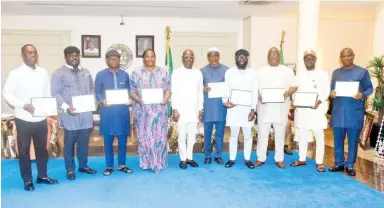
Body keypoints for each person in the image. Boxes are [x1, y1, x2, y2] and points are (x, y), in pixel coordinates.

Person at [3, 44, 58, 191]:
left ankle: (42, 176)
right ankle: (27, 180)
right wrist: (23, 104)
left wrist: (51, 107)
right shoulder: (16, 73)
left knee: (42, 150)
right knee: (24, 151)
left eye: (34, 52)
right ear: (23, 55)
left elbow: (47, 93)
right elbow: (7, 94)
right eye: (29, 53)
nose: (32, 55)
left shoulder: (43, 72)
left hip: (40, 119)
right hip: (23, 119)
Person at [51, 46, 97, 180]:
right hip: (69, 113)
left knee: (83, 142)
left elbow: (91, 89)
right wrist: (66, 107)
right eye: (71, 55)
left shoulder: (86, 72)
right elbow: (55, 93)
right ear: (65, 57)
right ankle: (70, 169)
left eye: (76, 55)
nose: (74, 57)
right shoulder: (58, 73)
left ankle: (83, 165)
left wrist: (93, 102)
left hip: (85, 114)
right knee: (69, 143)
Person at [329, 48, 373, 176]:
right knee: (338, 140)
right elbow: (332, 90)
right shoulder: (336, 73)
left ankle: (350, 165)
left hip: (354, 113)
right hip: (338, 112)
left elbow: (369, 88)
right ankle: (339, 163)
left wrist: (362, 94)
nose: (346, 58)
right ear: (340, 58)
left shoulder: (362, 72)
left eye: (349, 56)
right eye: (343, 56)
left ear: (353, 56)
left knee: (353, 141)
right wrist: (332, 93)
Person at [130, 49, 171, 173]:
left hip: (160, 110)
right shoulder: (136, 73)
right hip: (143, 111)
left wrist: (165, 99)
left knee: (160, 136)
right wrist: (138, 100)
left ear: (155, 57)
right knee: (144, 136)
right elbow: (132, 91)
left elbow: (169, 89)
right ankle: (146, 162)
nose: (150, 59)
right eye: (147, 57)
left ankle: (160, 162)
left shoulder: (164, 72)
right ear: (143, 59)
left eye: (152, 56)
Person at [256, 47, 298, 169]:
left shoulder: (287, 71)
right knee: (262, 135)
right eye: (271, 53)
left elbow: (295, 86)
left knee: (280, 135)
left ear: (279, 56)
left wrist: (288, 92)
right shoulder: (261, 71)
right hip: (264, 108)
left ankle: (279, 159)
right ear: (267, 56)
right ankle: (260, 158)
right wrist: (258, 95)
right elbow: (255, 87)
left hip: (281, 109)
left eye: (275, 53)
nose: (273, 55)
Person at [290, 50, 330, 172]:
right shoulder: (299, 75)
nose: (309, 60)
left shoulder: (323, 74)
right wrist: (294, 101)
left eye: (311, 58)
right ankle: (302, 159)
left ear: (315, 60)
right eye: (306, 58)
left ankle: (319, 162)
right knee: (302, 136)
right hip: (302, 112)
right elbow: (294, 91)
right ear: (304, 61)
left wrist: (319, 100)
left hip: (316, 111)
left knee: (319, 136)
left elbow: (326, 91)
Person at [95, 50, 133, 176]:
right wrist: (102, 101)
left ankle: (122, 165)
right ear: (107, 60)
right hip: (108, 113)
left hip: (122, 113)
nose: (114, 61)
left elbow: (129, 91)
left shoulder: (125, 75)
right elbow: (97, 92)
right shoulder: (100, 75)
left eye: (117, 59)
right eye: (111, 59)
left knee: (123, 141)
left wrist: (130, 100)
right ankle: (109, 166)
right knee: (108, 141)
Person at [222, 49, 258, 169]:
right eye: (239, 57)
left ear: (247, 59)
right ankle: (232, 159)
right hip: (233, 109)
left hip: (247, 110)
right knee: (233, 136)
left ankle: (247, 159)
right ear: (235, 58)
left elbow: (254, 92)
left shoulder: (253, 73)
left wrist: (253, 109)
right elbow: (226, 89)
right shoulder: (229, 72)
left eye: (244, 57)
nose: (241, 59)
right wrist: (224, 102)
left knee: (248, 136)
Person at [171, 49, 204, 169]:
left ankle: (190, 157)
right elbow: (173, 92)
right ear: (182, 58)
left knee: (192, 136)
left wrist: (201, 109)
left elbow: (200, 92)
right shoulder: (176, 72)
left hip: (194, 110)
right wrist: (174, 109)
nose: (189, 59)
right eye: (186, 57)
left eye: (191, 57)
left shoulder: (198, 73)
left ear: (193, 58)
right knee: (181, 136)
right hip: (181, 110)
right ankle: (182, 159)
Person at [200, 47, 229, 165]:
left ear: (219, 56)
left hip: (221, 107)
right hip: (208, 107)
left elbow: (230, 87)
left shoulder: (227, 70)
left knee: (220, 133)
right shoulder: (201, 71)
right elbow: (197, 88)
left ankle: (218, 155)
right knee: (207, 133)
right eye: (211, 56)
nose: (213, 58)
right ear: (208, 58)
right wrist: (203, 89)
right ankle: (207, 155)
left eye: (215, 55)